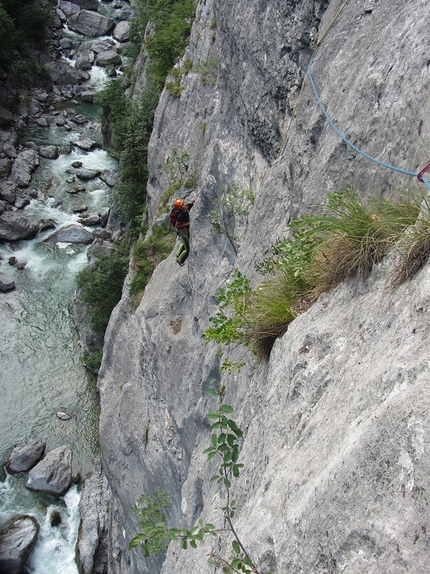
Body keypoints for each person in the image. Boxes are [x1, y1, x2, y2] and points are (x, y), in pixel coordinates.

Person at [174, 198, 195, 265]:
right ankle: (180, 260)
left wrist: (193, 202)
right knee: (187, 249)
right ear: (180, 208)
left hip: (185, 231)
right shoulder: (181, 215)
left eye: (184, 203)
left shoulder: (187, 206)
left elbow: (192, 205)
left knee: (184, 243)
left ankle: (178, 254)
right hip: (183, 232)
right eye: (183, 204)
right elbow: (177, 226)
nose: (185, 204)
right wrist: (187, 224)